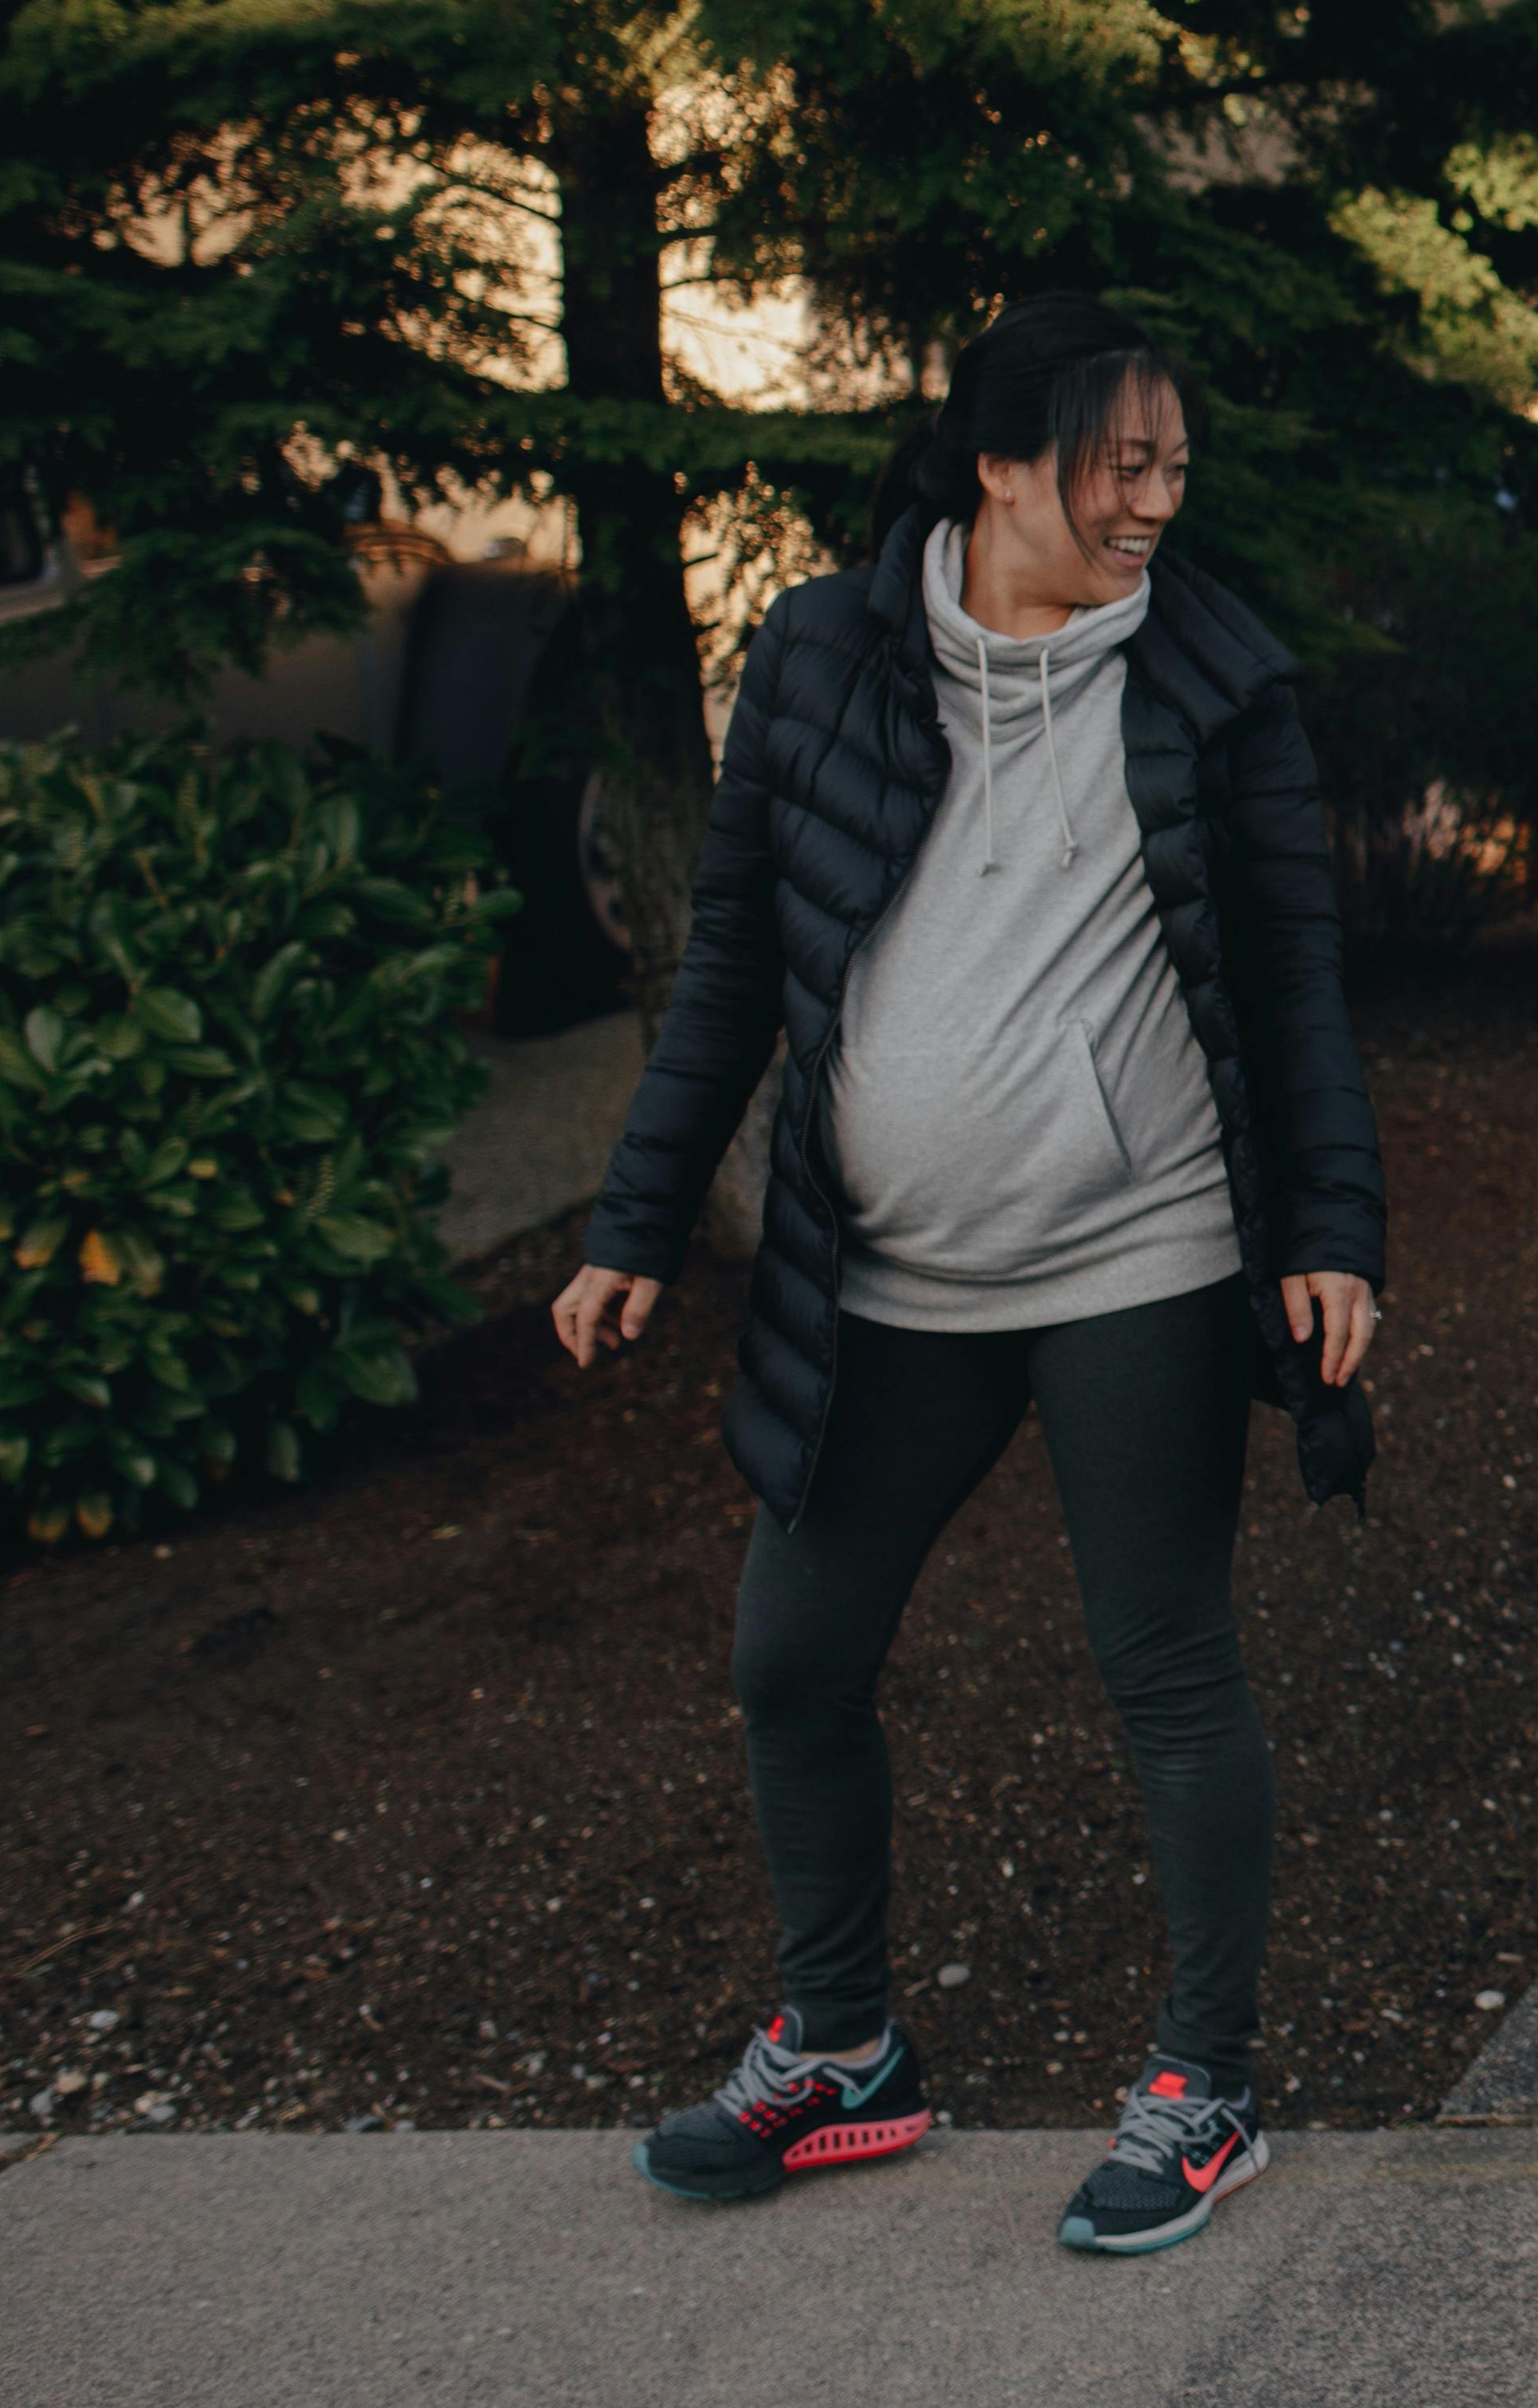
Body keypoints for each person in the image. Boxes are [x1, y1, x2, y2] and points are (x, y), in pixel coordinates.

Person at [550, 291, 1384, 2258]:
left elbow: (1293, 984)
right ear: (1000, 461)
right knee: (792, 1655)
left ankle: (1204, 2083)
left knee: (1165, 1666)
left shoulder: (1209, 678)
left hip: (1140, 1254)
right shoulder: (830, 654)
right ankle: (843, 2046)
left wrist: (1337, 1228)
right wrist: (633, 1222)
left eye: (1177, 465)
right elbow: (738, 959)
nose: (1159, 500)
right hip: (888, 1275)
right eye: (1123, 462)